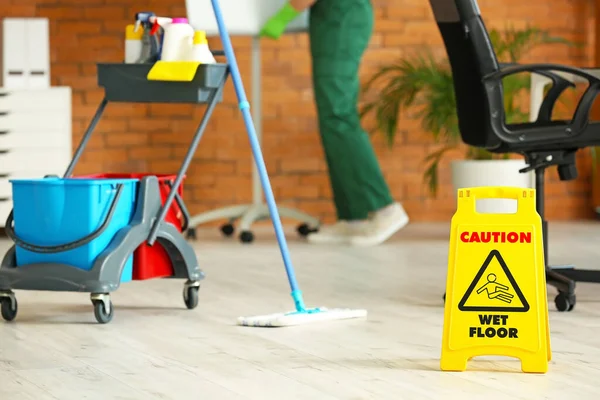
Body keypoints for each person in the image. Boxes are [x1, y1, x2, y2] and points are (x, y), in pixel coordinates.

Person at [260, 0, 409, 246]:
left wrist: (285, 14)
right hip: (333, 20)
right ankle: (353, 217)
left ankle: (384, 207)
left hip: (342, 19)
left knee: (339, 116)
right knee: (331, 119)